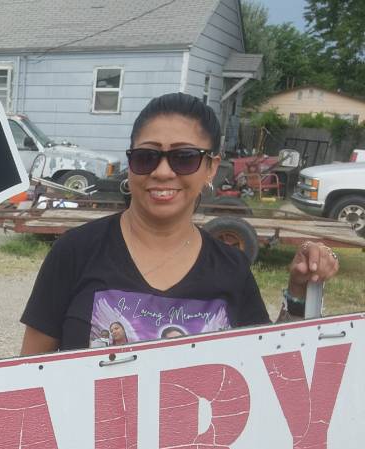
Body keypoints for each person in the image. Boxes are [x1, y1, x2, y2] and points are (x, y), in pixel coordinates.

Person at [20, 92, 339, 354]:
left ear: (211, 167)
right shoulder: (75, 251)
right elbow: (29, 373)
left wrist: (299, 291)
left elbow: (269, 370)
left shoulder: (232, 268)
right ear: (131, 163)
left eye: (184, 157)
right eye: (147, 157)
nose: (162, 172)